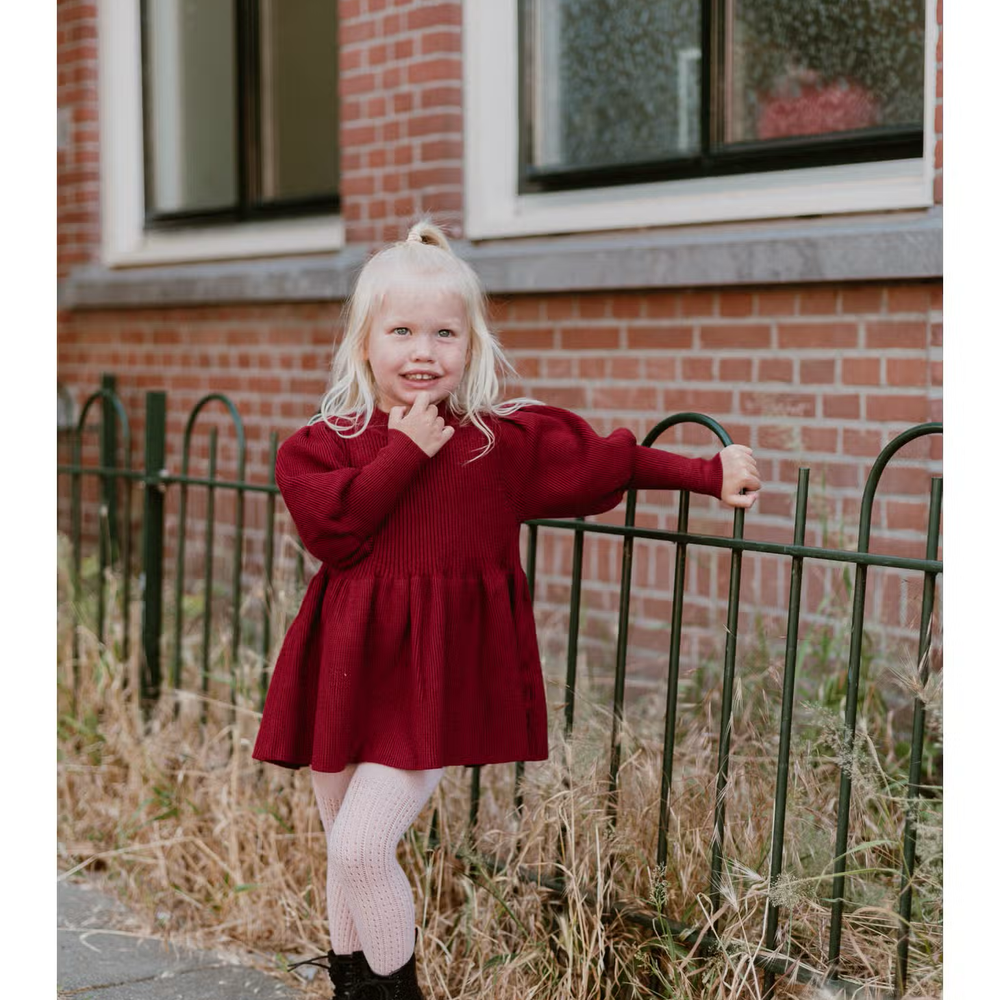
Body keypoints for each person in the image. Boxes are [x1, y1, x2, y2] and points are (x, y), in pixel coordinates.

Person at [253, 220, 761, 999]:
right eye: (401, 331)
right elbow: (336, 532)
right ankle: (352, 987)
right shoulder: (323, 446)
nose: (423, 351)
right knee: (342, 848)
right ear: (364, 343)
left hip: (429, 679)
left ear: (471, 343)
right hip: (346, 666)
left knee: (360, 848)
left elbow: (602, 464)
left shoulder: (496, 445)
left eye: (444, 333)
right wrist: (405, 450)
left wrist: (705, 472)